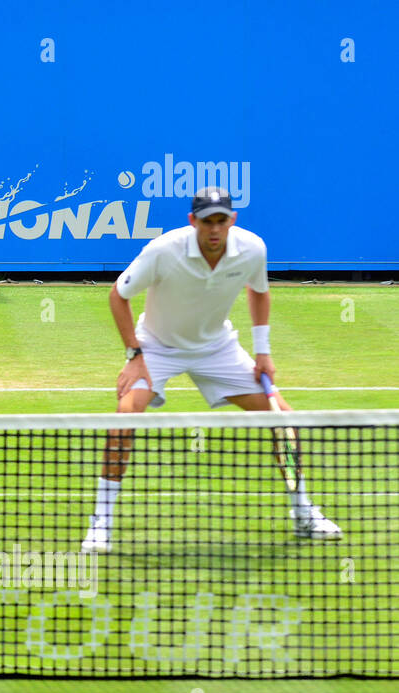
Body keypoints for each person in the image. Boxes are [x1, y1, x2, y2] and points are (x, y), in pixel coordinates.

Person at [83, 186, 341, 553]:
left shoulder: (252, 249)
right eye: (208, 222)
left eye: (222, 220)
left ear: (232, 220)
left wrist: (263, 352)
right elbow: (117, 295)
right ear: (193, 222)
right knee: (125, 415)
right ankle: (101, 524)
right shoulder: (163, 251)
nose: (215, 229)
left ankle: (303, 513)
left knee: (282, 417)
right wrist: (134, 355)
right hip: (157, 345)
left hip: (216, 348)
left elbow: (259, 290)